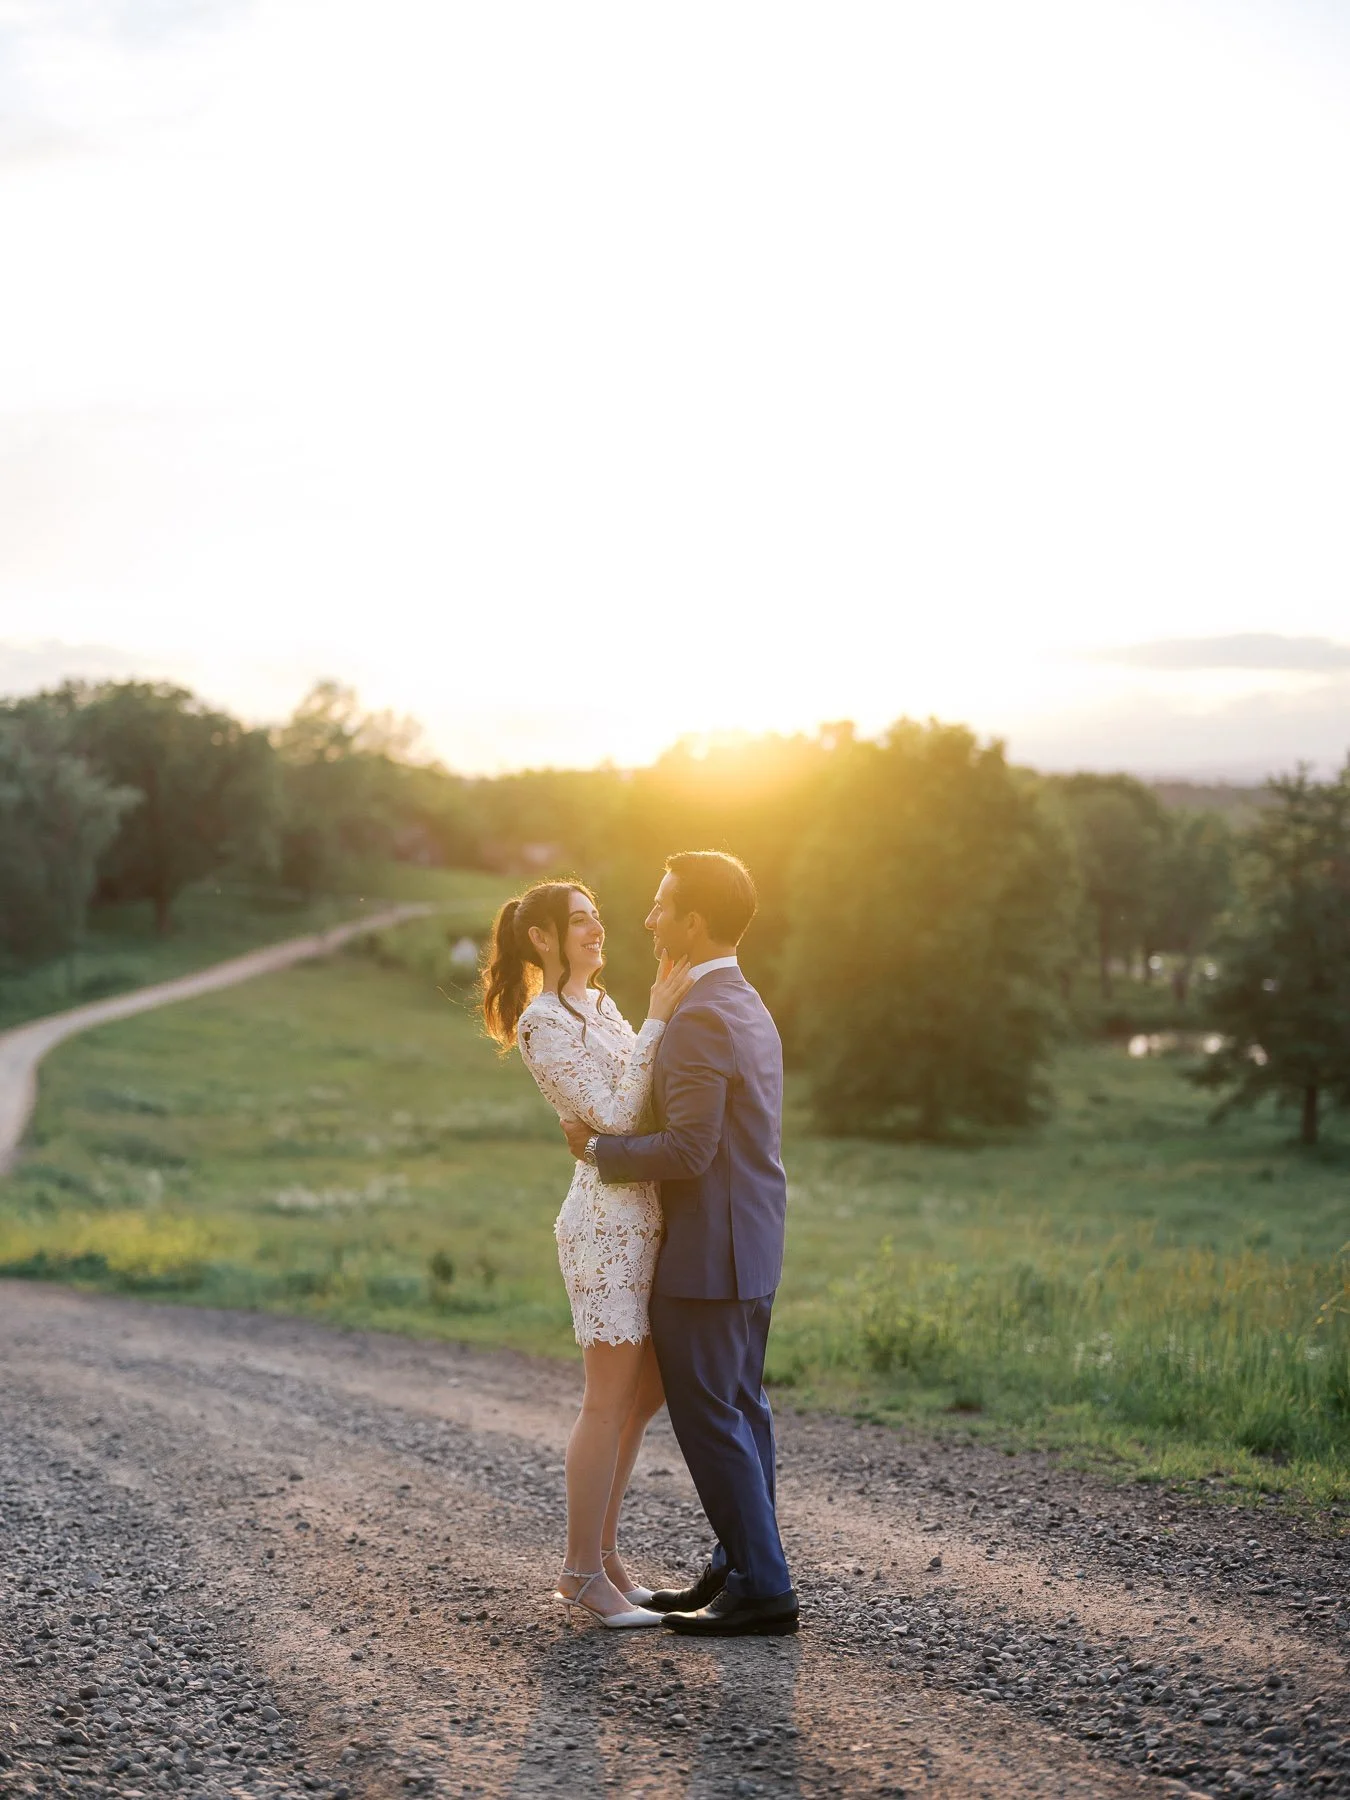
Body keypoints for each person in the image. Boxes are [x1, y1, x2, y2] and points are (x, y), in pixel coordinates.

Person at [561, 850, 798, 1637]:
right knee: (744, 1411)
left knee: (713, 1418)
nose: (648, 919)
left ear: (693, 922)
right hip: (752, 1242)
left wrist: (596, 1150)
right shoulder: (743, 997)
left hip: (707, 1250)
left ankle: (763, 1587)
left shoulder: (698, 1015)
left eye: (661, 906)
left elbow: (691, 1149)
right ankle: (737, 1566)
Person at [481, 879, 694, 1628]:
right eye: (579, 920)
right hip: (604, 1224)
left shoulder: (601, 1007)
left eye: (597, 914)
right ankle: (578, 1574)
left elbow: (644, 1106)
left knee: (645, 1396)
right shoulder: (543, 1021)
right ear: (542, 939)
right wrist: (661, 1021)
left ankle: (605, 1560)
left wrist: (652, 1038)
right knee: (608, 1400)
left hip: (645, 1211)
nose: (597, 927)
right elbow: (611, 1115)